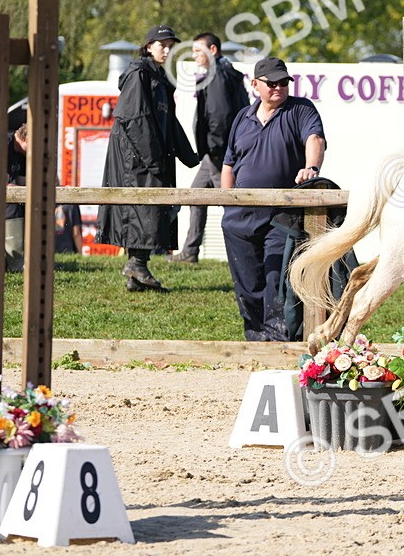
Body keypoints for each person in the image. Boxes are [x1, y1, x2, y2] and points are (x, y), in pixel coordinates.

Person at [221, 57, 326, 341]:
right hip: (239, 216)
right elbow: (228, 164)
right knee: (246, 282)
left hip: (282, 214)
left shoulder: (300, 109)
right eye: (272, 83)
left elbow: (315, 140)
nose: (279, 87)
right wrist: (227, 202)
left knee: (275, 279)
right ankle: (255, 337)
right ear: (256, 85)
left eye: (283, 82)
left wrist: (311, 168)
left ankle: (279, 337)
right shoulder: (242, 117)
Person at [96, 24, 200, 291]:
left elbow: (169, 122)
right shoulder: (139, 73)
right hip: (135, 158)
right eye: (161, 45)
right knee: (144, 209)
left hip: (149, 155)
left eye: (170, 46)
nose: (166, 50)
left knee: (149, 211)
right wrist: (153, 161)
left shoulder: (159, 77)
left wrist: (189, 155)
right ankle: (137, 266)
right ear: (148, 46)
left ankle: (136, 273)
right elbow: (134, 119)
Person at [170, 32, 250, 264]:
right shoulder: (226, 73)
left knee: (231, 205)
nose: (194, 55)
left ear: (213, 50)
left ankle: (241, 254)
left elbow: (219, 116)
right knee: (196, 196)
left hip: (219, 154)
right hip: (217, 153)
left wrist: (216, 150)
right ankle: (190, 251)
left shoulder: (216, 75)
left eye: (198, 51)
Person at [5, 123, 29, 272]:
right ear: (26, 139)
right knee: (14, 206)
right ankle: (15, 266)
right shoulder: (3, 145)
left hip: (11, 207)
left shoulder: (22, 154)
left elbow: (21, 182)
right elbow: (1, 184)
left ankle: (17, 264)